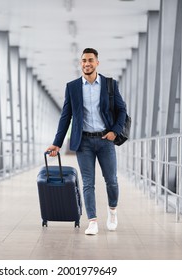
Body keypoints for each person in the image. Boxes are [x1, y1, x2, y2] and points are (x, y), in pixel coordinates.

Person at [46, 48, 127, 235]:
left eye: (90, 60)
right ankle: (92, 221)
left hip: (105, 140)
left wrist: (115, 131)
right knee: (88, 182)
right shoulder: (72, 87)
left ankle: (112, 211)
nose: (86, 64)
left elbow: (122, 110)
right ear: (80, 63)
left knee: (112, 181)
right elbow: (65, 117)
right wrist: (57, 143)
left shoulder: (109, 85)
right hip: (84, 142)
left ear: (97, 62)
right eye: (83, 60)